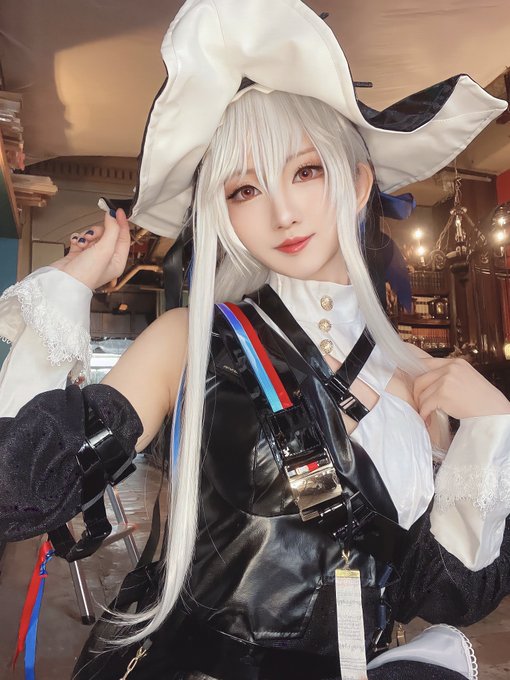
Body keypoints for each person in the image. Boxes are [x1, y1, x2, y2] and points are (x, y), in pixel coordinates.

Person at [1, 1, 510, 678]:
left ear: (358, 181)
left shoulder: (418, 373)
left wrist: (493, 427)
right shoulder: (191, 340)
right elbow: (20, 488)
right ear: (223, 211)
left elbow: (444, 595)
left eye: (306, 171)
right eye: (244, 189)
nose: (282, 211)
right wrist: (69, 285)